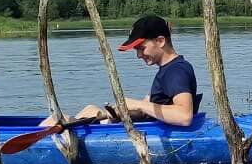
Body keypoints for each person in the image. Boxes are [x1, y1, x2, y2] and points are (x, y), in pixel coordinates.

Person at [56, 14, 200, 127]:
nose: (138, 55)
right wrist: (121, 112)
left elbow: (184, 116)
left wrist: (138, 105)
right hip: (149, 125)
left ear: (160, 41)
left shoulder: (176, 71)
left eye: (141, 48)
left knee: (58, 119)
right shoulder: (168, 69)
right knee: (91, 109)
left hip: (154, 131)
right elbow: (150, 108)